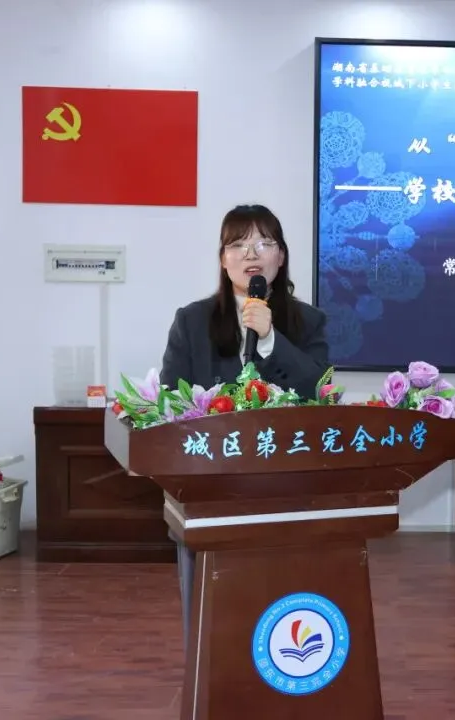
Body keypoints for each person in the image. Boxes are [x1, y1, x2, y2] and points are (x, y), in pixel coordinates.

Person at [159, 203, 329, 650]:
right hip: (209, 488)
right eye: (238, 244)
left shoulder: (309, 322)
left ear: (281, 257)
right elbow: (171, 402)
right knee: (213, 618)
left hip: (284, 490)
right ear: (223, 259)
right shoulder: (191, 321)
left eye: (264, 243)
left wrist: (271, 339)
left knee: (277, 605)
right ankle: (208, 665)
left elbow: (318, 392)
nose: (251, 254)